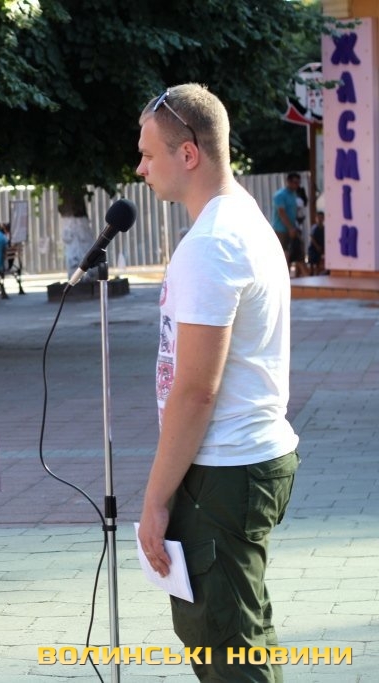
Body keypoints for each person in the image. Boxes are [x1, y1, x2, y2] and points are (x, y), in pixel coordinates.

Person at [135, 84, 300, 682]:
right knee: (243, 634)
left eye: (148, 154)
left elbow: (196, 390)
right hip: (243, 460)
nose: (140, 168)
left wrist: (155, 500)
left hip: (224, 468)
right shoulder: (241, 217)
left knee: (227, 649)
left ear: (188, 154)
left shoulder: (211, 243)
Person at [271, 172, 300, 260]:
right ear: (289, 182)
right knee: (281, 254)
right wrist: (290, 228)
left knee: (291, 253)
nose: (297, 185)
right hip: (280, 230)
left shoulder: (293, 194)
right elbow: (281, 213)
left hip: (291, 229)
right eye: (295, 182)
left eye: (298, 183)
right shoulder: (280, 195)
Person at [308, 210, 325, 276]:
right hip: (313, 248)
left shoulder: (324, 228)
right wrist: (317, 246)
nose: (320, 219)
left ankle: (317, 276)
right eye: (318, 217)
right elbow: (311, 237)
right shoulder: (314, 227)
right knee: (312, 264)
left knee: (318, 264)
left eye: (321, 217)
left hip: (320, 248)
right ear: (316, 218)